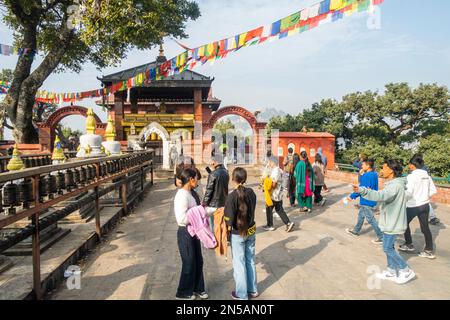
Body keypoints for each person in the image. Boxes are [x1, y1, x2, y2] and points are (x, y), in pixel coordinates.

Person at [353, 159, 415, 285]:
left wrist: (362, 191)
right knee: (389, 247)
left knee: (387, 248)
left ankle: (406, 270)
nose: (382, 170)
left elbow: (380, 196)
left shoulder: (395, 185)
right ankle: (391, 271)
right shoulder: (395, 184)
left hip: (393, 222)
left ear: (391, 171)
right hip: (390, 221)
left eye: (384, 168)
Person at [224, 168, 258, 300]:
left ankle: (242, 294)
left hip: (238, 234)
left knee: (239, 263)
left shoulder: (232, 197)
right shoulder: (252, 193)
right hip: (251, 230)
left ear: (233, 179)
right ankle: (253, 290)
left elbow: (229, 220)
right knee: (250, 260)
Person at [174, 168, 208, 300]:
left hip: (194, 231)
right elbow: (181, 219)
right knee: (188, 262)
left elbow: (198, 210)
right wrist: (198, 215)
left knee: (198, 260)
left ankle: (198, 288)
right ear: (190, 179)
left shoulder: (192, 193)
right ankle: (182, 292)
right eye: (196, 178)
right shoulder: (181, 195)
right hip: (185, 233)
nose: (198, 180)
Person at [398, 155, 437, 259]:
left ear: (412, 165)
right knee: (425, 228)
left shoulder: (411, 177)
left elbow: (409, 192)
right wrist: (424, 196)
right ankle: (429, 250)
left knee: (403, 223)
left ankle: (409, 244)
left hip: (413, 205)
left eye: (410, 164)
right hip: (424, 205)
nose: (409, 166)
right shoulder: (427, 176)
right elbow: (434, 191)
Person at [345, 159, 383, 244]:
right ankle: (356, 230)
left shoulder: (366, 175)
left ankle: (381, 236)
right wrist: (362, 175)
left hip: (366, 200)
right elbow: (369, 187)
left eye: (363, 164)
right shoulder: (374, 174)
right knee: (361, 216)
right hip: (372, 198)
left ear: (368, 166)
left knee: (371, 220)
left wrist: (350, 197)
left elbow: (361, 189)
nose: (361, 166)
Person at [263, 156, 295, 232]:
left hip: (274, 194)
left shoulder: (275, 171)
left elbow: (273, 184)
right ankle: (288, 223)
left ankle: (270, 225)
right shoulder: (279, 170)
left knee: (269, 208)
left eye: (269, 162)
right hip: (279, 194)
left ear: (273, 162)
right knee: (279, 209)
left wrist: (266, 185)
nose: (269, 163)